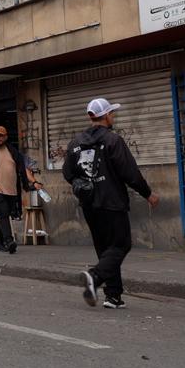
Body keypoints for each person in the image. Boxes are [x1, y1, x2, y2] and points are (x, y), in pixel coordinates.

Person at [65, 98, 158, 309]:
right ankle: (94, 276)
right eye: (112, 113)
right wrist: (148, 194)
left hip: (89, 204)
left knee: (106, 250)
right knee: (121, 244)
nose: (113, 117)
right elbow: (130, 172)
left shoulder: (75, 143)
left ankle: (113, 296)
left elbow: (68, 173)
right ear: (106, 115)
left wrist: (83, 184)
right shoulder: (113, 140)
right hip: (111, 202)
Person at [0, 125, 42, 255]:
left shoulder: (13, 152)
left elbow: (23, 169)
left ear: (6, 137)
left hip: (11, 190)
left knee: (4, 214)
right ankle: (9, 240)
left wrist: (34, 181)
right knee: (3, 212)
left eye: (1, 136)